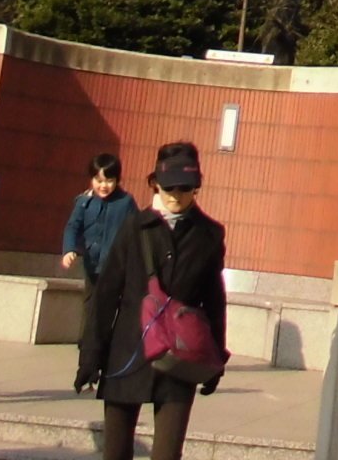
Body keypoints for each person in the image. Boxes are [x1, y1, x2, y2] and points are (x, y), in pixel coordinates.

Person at [78, 140, 229, 460]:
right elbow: (107, 293)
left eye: (185, 188)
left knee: (167, 454)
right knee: (116, 452)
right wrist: (91, 355)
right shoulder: (135, 226)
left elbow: (214, 299)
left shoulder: (209, 234)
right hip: (128, 351)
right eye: (169, 187)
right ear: (154, 184)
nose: (176, 195)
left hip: (180, 357)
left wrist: (217, 356)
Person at [61, 151, 134, 291]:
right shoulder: (84, 201)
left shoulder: (125, 202)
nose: (103, 186)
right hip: (91, 264)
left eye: (109, 180)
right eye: (99, 181)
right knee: (90, 304)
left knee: (108, 303)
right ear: (91, 179)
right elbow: (72, 227)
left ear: (117, 180)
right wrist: (69, 249)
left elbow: (135, 231)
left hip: (116, 265)